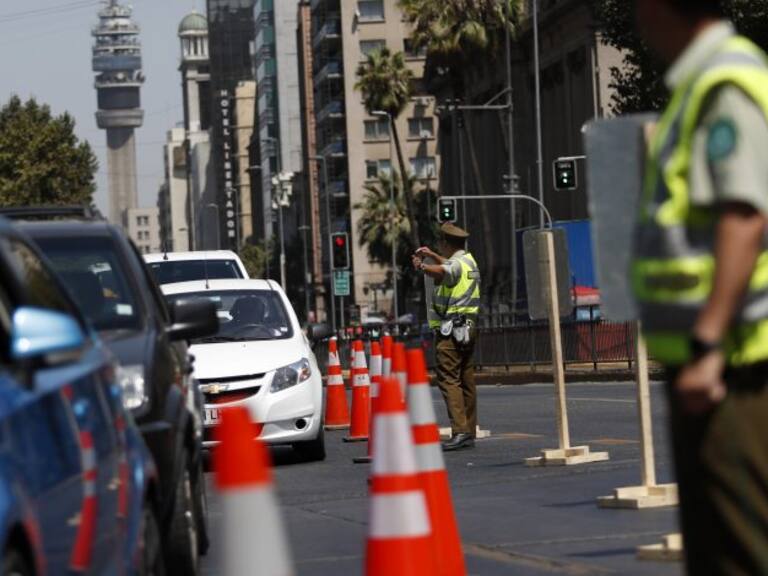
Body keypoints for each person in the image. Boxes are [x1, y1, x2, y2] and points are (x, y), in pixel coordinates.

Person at [631, 1, 768, 572]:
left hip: (732, 368)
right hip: (711, 366)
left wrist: (708, 345)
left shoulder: (723, 82)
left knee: (743, 551)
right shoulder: (700, 83)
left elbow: (745, 215)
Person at [412, 223, 480, 451]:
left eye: (441, 244)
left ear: (447, 244)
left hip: (452, 330)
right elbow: (449, 265)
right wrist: (432, 255)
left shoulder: (455, 266)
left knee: (449, 379)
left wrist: (422, 266)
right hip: (469, 327)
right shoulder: (469, 261)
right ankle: (468, 430)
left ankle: (460, 432)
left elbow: (444, 271)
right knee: (466, 379)